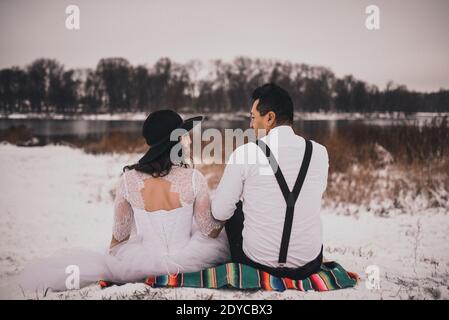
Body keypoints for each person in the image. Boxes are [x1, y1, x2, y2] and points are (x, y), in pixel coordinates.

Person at [19, 110, 230, 292]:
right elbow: (209, 230)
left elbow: (119, 238)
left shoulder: (128, 180)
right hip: (189, 259)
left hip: (142, 262)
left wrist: (115, 261)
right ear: (175, 141)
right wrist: (227, 210)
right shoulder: (194, 178)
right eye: (185, 135)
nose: (189, 139)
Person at [211, 83, 329, 279]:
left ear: (270, 118)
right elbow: (318, 192)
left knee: (233, 209)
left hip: (257, 263)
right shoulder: (319, 152)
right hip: (308, 265)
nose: (250, 125)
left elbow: (220, 211)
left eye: (252, 117)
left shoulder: (246, 153)